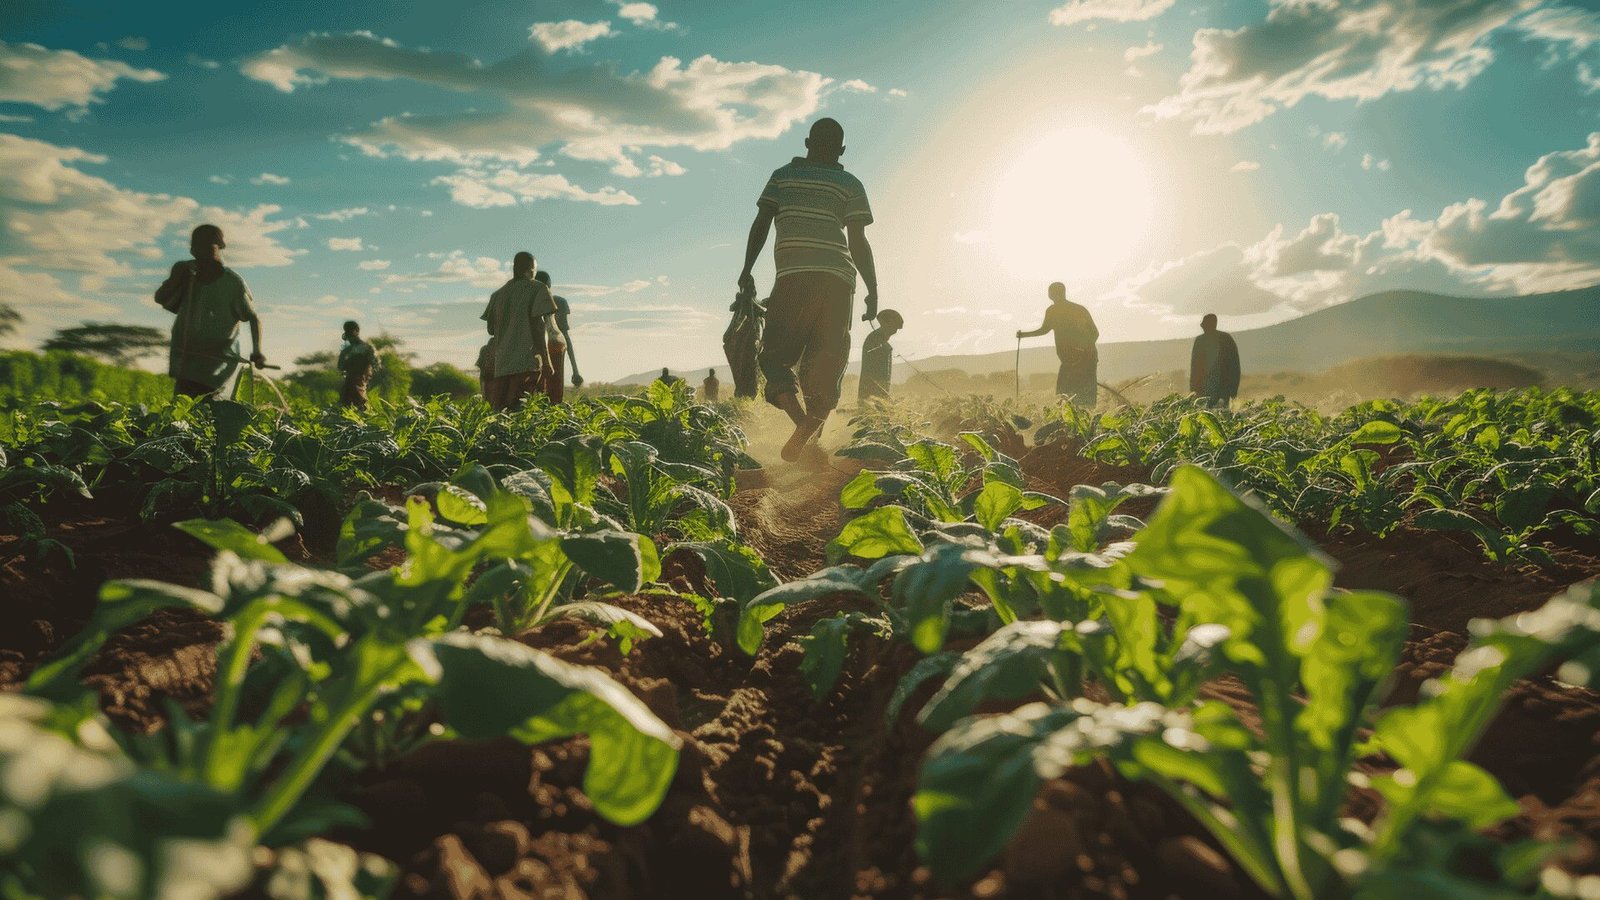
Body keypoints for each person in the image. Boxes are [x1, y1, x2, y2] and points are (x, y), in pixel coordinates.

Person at [738, 117, 878, 461]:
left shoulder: (782, 176)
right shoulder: (850, 183)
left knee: (773, 359)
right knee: (826, 366)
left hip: (794, 279)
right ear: (842, 150)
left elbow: (761, 224)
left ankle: (802, 427)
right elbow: (858, 241)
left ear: (806, 143)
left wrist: (746, 270)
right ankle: (809, 435)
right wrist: (873, 290)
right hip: (837, 282)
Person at [154, 224, 267, 398]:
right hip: (186, 359)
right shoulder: (186, 274)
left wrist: (257, 351)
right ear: (192, 250)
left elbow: (253, 318)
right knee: (182, 409)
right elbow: (161, 298)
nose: (201, 252)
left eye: (208, 246)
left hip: (216, 362)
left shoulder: (232, 283)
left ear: (219, 246)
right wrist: (177, 278)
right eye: (197, 247)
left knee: (205, 406)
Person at [481, 251, 555, 411]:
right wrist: (547, 361)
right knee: (522, 412)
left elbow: (491, 329)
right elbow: (538, 325)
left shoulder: (498, 294)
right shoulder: (537, 288)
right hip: (526, 364)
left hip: (501, 366)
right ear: (531, 269)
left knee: (501, 412)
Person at [1017, 283, 1098, 405]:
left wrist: (1083, 350)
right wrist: (1023, 335)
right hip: (1073, 359)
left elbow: (1095, 333)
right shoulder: (1060, 311)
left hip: (1084, 358)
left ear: (1051, 294)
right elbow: (1044, 330)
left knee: (1072, 392)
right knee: (1068, 392)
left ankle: (1084, 419)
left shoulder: (1069, 310)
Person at [533, 271, 582, 403]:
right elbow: (564, 336)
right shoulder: (558, 302)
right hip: (548, 349)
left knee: (541, 395)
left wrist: (575, 370)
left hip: (541, 349)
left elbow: (563, 336)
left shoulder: (556, 303)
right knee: (551, 395)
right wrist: (575, 370)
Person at [1190, 313, 1241, 408]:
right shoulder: (1225, 338)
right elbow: (1195, 368)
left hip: (1220, 390)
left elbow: (1234, 366)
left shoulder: (1223, 339)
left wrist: (1233, 390)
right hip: (1207, 391)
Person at [722, 286, 765, 399]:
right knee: (745, 368)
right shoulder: (745, 305)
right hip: (747, 343)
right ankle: (746, 394)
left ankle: (747, 394)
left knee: (747, 368)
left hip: (750, 343)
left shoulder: (749, 305)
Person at [858, 308, 903, 402]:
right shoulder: (875, 339)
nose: (895, 331)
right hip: (871, 392)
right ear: (887, 324)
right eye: (894, 327)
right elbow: (874, 367)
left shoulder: (880, 340)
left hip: (878, 391)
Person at [337, 320, 378, 409]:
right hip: (353, 382)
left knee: (356, 404)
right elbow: (340, 366)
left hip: (358, 382)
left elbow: (340, 366)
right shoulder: (348, 350)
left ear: (356, 331)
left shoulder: (364, 348)